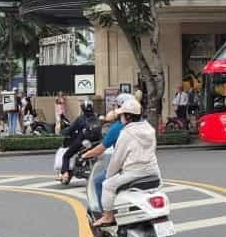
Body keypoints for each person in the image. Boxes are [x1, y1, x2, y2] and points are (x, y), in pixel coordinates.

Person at [92, 98, 159, 227]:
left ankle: (107, 217)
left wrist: (109, 175)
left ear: (128, 116)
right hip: (153, 170)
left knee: (107, 185)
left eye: (122, 114)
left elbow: (117, 159)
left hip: (134, 173)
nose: (120, 116)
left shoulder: (126, 133)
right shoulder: (150, 129)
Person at [82, 93, 136, 210]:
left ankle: (106, 215)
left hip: (126, 167)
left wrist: (85, 155)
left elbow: (100, 149)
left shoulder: (118, 128)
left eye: (116, 106)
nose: (114, 109)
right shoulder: (143, 124)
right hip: (147, 167)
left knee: (99, 182)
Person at [59, 98, 98, 182]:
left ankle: (65, 174)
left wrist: (62, 132)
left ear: (82, 108)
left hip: (82, 142)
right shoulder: (97, 116)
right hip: (96, 143)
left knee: (66, 155)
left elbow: (70, 129)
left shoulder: (81, 118)